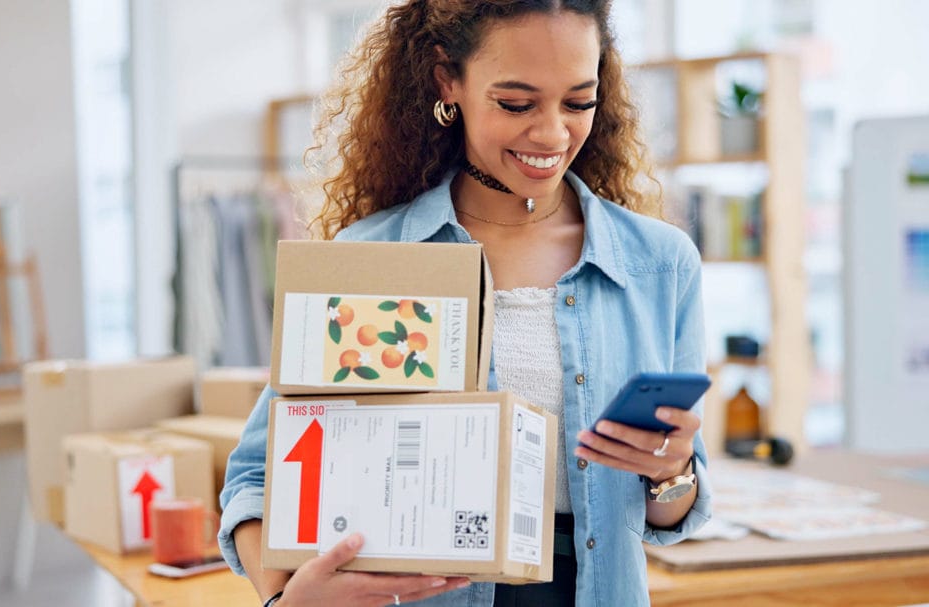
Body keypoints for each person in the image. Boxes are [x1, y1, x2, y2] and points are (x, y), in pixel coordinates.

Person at [219, 1, 712, 605]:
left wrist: (671, 471)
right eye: (516, 103)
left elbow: (674, 512)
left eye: (578, 101)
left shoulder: (659, 264)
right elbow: (255, 479)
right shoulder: (373, 257)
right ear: (447, 80)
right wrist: (289, 598)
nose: (553, 134)